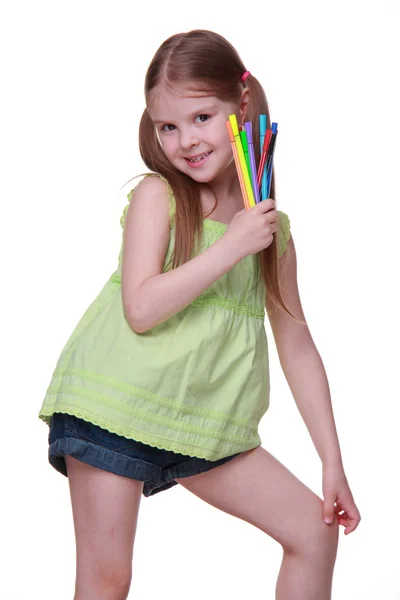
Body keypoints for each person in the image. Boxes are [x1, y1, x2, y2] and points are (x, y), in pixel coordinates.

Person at [39, 29, 361, 600]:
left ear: (241, 105)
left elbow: (297, 344)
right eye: (168, 126)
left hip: (201, 421)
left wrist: (331, 462)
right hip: (114, 404)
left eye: (201, 117)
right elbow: (140, 308)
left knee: (315, 533)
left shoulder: (269, 231)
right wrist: (231, 245)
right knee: (107, 578)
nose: (185, 140)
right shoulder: (157, 196)